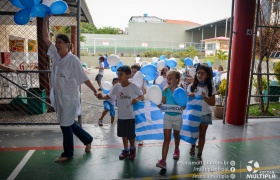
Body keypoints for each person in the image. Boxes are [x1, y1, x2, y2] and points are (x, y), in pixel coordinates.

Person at [43, 16, 98, 163]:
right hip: (59, 97)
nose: (57, 45)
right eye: (57, 43)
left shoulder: (73, 60)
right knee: (68, 122)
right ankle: (88, 139)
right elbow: (45, 37)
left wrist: (95, 91)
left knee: (65, 125)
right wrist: (44, 19)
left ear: (68, 45)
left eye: (60, 43)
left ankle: (68, 153)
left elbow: (84, 78)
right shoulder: (56, 55)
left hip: (69, 99)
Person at [97, 65, 144, 160]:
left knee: (131, 135)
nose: (119, 76)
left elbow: (141, 96)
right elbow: (109, 96)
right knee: (123, 134)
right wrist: (101, 97)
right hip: (121, 116)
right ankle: (126, 150)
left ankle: (132, 148)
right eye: (118, 74)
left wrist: (137, 99)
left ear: (128, 75)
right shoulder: (117, 86)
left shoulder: (133, 87)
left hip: (131, 116)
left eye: (121, 74)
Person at [187, 64, 216, 165]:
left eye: (202, 73)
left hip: (205, 114)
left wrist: (204, 97)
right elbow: (186, 102)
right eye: (198, 73)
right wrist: (190, 96)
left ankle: (199, 155)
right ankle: (192, 145)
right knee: (193, 133)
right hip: (193, 114)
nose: (199, 75)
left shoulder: (211, 88)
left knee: (202, 135)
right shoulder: (191, 87)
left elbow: (213, 103)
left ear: (207, 75)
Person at [156, 70, 185, 170]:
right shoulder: (165, 91)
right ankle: (163, 160)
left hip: (178, 118)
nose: (168, 80)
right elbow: (163, 104)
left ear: (177, 80)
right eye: (167, 78)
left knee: (176, 135)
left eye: (170, 78)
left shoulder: (181, 91)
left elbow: (184, 106)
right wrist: (160, 105)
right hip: (167, 117)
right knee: (166, 139)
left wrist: (182, 106)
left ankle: (176, 149)